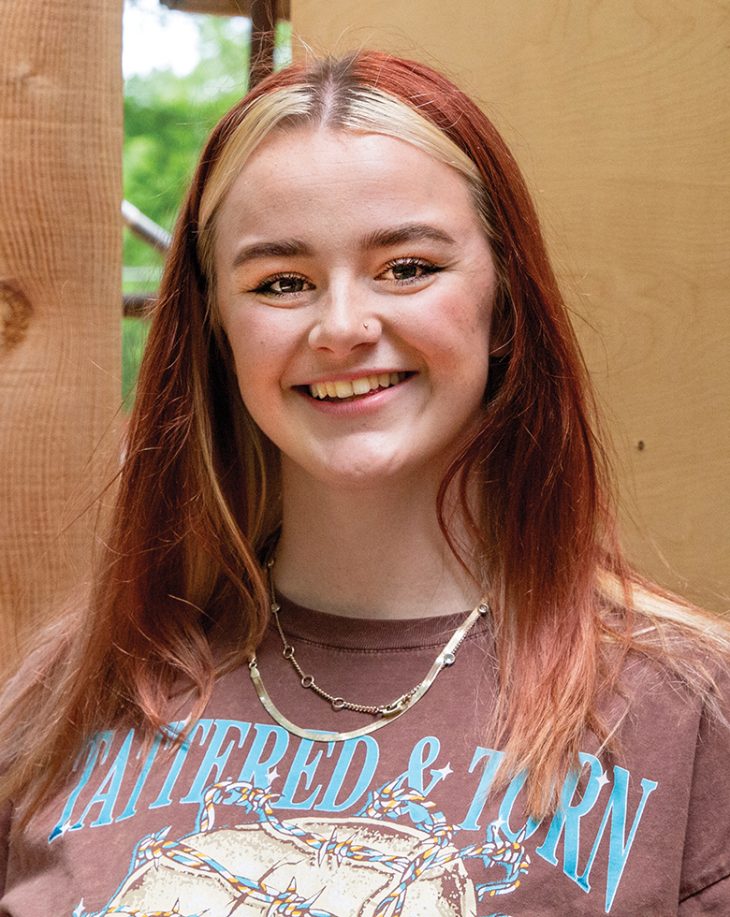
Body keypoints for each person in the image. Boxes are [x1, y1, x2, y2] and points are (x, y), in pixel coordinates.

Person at [0, 50, 728, 917]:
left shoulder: (686, 712)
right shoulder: (66, 696)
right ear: (217, 330)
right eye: (282, 282)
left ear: (505, 300)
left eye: (408, 267)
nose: (343, 326)